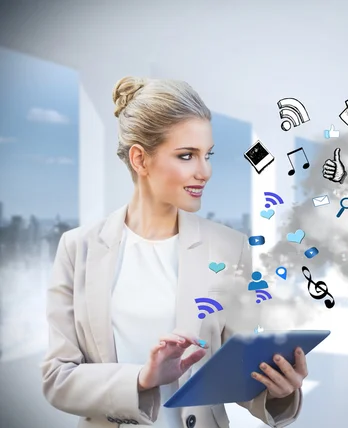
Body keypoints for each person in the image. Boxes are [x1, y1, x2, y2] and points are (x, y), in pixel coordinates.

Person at [41, 76, 306, 428]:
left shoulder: (230, 247)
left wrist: (279, 390)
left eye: (207, 155)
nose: (205, 171)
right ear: (140, 159)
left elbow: (237, 373)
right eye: (187, 156)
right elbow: (57, 379)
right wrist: (141, 379)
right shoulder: (78, 248)